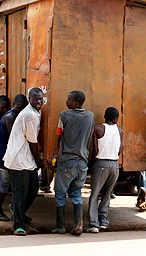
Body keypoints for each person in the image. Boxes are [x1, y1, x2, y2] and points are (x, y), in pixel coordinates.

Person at [51, 91, 95, 236]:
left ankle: (60, 226)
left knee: (60, 193)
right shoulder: (90, 116)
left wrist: (58, 154)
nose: (66, 101)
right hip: (82, 162)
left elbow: (59, 135)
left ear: (76, 102)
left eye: (68, 99)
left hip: (67, 161)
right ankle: (78, 224)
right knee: (76, 193)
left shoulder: (64, 115)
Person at [3, 88, 45, 236]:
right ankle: (19, 225)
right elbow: (32, 141)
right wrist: (39, 160)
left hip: (27, 159)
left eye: (40, 99)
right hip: (18, 158)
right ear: (29, 99)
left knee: (33, 189)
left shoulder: (36, 112)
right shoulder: (29, 115)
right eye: (35, 99)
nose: (38, 102)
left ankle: (17, 211)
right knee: (20, 193)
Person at [0, 94, 28, 221]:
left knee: (12, 183)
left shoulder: (15, 115)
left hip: (5, 153)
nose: (21, 111)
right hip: (0, 154)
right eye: (19, 108)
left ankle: (16, 210)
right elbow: (14, 137)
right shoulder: (10, 117)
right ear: (14, 106)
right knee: (3, 184)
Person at [87, 107, 122, 233]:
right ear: (116, 119)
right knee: (107, 195)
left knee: (95, 194)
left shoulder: (98, 129)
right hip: (115, 165)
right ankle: (103, 221)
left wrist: (90, 165)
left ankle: (93, 224)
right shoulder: (120, 131)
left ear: (104, 117)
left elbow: (95, 151)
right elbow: (119, 150)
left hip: (101, 164)